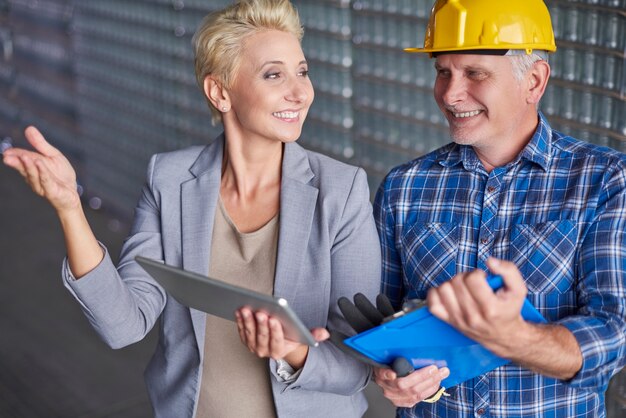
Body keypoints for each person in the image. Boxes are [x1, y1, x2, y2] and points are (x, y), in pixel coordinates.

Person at [2, 1, 381, 417]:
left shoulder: (341, 191)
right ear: (219, 92)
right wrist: (69, 207)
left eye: (302, 71)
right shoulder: (169, 179)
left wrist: (292, 352)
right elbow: (123, 325)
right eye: (274, 74)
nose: (300, 91)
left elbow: (357, 365)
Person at [373, 0, 626, 416]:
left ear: (534, 81)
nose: (451, 94)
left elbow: (615, 334)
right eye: (442, 72)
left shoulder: (603, 181)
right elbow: (386, 322)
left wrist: (513, 337)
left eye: (475, 73)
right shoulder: (405, 186)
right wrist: (389, 372)